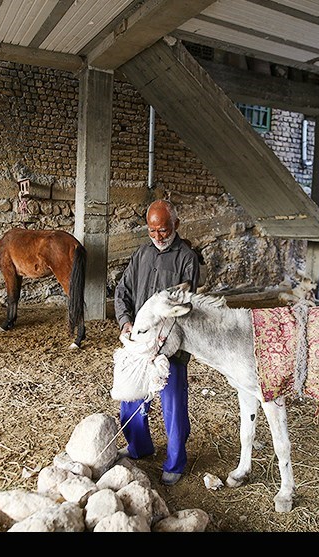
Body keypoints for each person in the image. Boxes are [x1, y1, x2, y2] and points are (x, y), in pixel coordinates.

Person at [114, 199, 200, 486]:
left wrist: (162, 344)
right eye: (152, 231)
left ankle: (175, 462)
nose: (158, 236)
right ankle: (139, 446)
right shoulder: (141, 255)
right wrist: (126, 321)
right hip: (140, 343)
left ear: (175, 224)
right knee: (131, 399)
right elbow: (123, 291)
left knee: (173, 405)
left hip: (170, 348)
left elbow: (184, 309)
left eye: (163, 230)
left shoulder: (186, 258)